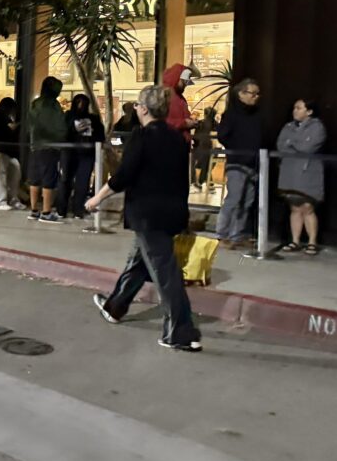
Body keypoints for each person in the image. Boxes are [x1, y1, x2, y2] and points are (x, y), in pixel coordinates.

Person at [87, 85, 203, 352]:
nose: (136, 108)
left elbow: (123, 176)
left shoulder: (141, 137)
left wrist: (97, 198)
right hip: (171, 211)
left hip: (148, 213)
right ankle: (115, 306)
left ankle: (180, 331)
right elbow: (181, 178)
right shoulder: (176, 138)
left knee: (166, 272)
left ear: (144, 109)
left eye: (138, 104)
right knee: (140, 261)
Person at [215, 79, 263, 253]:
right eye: (252, 93)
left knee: (247, 200)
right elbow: (223, 135)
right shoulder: (231, 114)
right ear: (241, 94)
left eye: (258, 94)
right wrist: (237, 148)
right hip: (237, 162)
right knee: (234, 198)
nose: (256, 97)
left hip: (253, 163)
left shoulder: (256, 115)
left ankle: (237, 235)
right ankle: (222, 234)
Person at [275, 99, 326, 255]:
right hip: (290, 171)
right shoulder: (288, 126)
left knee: (307, 207)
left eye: (299, 108)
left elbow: (308, 147)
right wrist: (296, 143)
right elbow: (281, 145)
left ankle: (312, 242)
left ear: (309, 111)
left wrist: (293, 142)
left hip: (307, 172)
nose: (295, 111)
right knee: (295, 207)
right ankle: (295, 240)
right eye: (294, 108)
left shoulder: (318, 127)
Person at [27, 76, 67, 224]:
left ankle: (34, 210)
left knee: (35, 179)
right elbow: (59, 127)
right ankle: (46, 212)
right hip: (50, 147)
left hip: (35, 146)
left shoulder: (35, 104)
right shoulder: (53, 106)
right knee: (49, 180)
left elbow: (31, 124)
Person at [60, 93, 105, 218]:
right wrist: (73, 130)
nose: (81, 105)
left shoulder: (94, 119)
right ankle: (62, 209)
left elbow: (100, 135)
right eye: (78, 102)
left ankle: (78, 209)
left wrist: (93, 139)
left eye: (83, 103)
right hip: (70, 152)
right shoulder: (68, 116)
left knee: (83, 182)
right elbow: (62, 133)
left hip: (86, 153)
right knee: (65, 181)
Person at [162, 64, 199, 143]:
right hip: (170, 144)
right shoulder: (164, 95)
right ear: (177, 78)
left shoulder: (180, 97)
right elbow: (161, 122)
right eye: (184, 81)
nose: (186, 84)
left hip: (180, 145)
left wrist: (191, 121)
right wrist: (184, 123)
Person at [191, 107, 218, 190]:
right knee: (207, 165)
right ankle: (207, 182)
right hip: (213, 148)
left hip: (201, 148)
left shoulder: (201, 123)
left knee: (201, 165)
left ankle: (198, 181)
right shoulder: (216, 124)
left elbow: (195, 137)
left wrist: (195, 146)